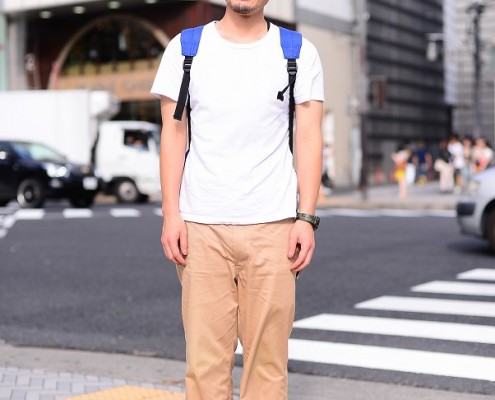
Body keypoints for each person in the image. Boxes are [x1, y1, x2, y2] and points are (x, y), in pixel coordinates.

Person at [150, 1, 324, 399]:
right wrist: (171, 214)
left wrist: (306, 217)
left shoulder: (297, 51)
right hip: (201, 227)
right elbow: (173, 132)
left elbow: (309, 135)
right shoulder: (185, 49)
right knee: (204, 367)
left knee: (267, 366)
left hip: (274, 227)